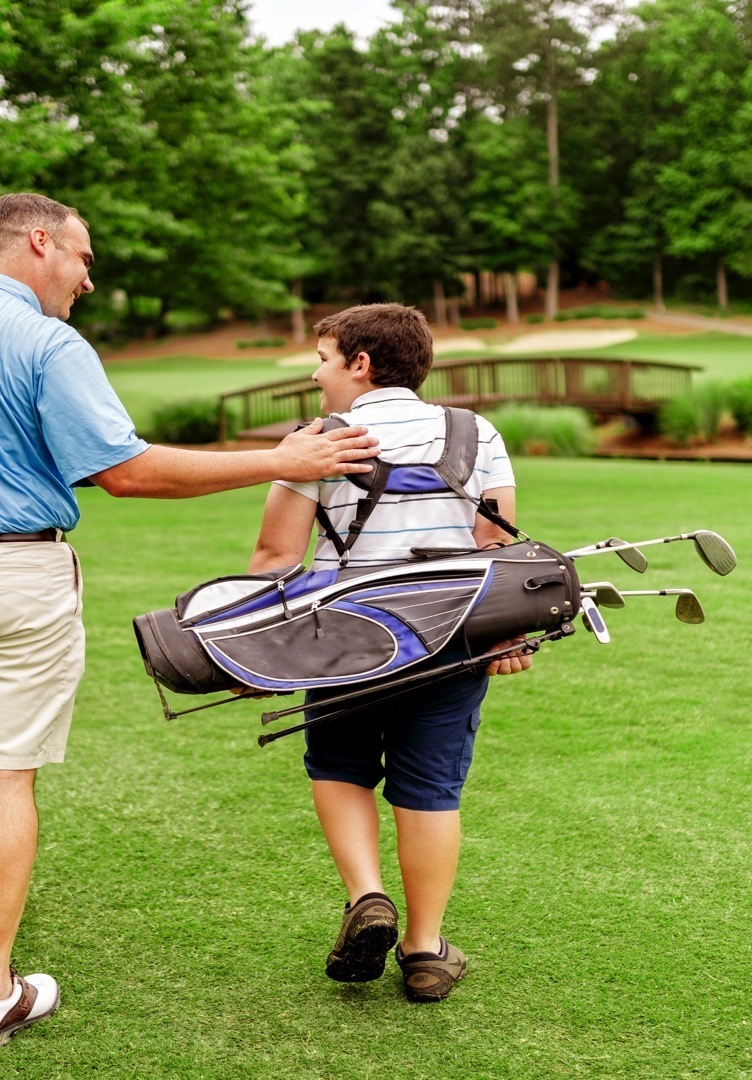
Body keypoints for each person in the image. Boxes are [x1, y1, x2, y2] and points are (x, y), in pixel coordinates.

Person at [0, 193, 378, 1048]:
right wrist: (282, 459)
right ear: (40, 242)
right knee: (1, 775)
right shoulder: (49, 342)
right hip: (15, 574)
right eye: (84, 259)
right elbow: (124, 473)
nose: (89, 279)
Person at [245, 303, 530, 1003]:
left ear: (360, 363)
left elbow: (275, 557)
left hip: (344, 636)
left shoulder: (315, 440)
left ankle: (367, 896)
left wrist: (252, 648)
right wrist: (504, 634)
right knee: (431, 786)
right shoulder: (475, 430)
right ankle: (426, 949)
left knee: (339, 764)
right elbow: (497, 546)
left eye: (322, 358)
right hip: (452, 636)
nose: (316, 373)